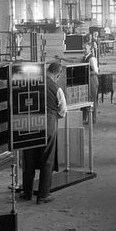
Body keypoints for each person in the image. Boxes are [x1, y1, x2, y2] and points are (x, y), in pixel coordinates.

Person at [22, 62, 67, 205]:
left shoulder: (31, 83)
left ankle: (27, 192)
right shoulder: (57, 88)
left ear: (47, 70)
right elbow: (63, 111)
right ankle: (42, 195)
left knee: (28, 160)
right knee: (47, 159)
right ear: (58, 74)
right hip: (48, 126)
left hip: (28, 124)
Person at [82, 43, 99, 124]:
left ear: (90, 49)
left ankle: (93, 120)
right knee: (87, 100)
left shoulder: (92, 58)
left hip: (92, 80)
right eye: (83, 48)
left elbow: (96, 71)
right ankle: (86, 119)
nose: (84, 50)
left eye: (85, 48)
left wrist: (85, 73)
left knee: (92, 100)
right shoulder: (84, 57)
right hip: (87, 80)